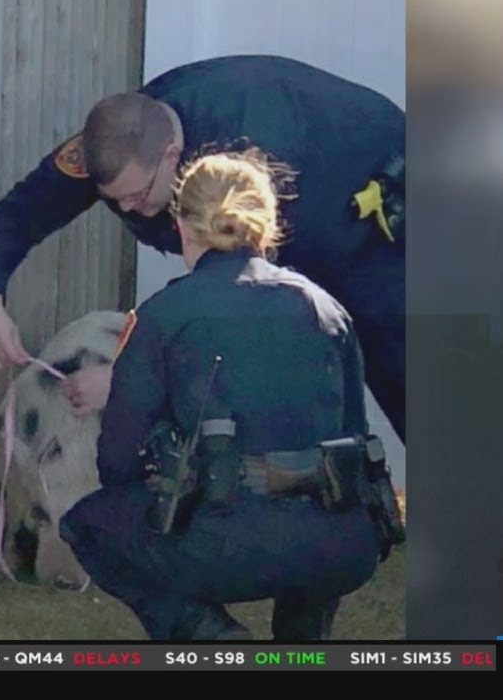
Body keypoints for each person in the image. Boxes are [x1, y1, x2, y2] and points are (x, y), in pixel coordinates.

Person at [0, 55, 406, 442]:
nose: (128, 209)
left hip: (370, 205)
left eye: (138, 197)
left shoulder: (247, 160)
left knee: (401, 371)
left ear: (172, 156)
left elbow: (252, 314)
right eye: (114, 201)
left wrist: (127, 382)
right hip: (320, 203)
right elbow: (19, 213)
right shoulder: (119, 143)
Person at [57, 150, 383, 641]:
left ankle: (207, 631)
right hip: (341, 548)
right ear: (265, 226)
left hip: (222, 545)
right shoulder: (326, 308)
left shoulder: (163, 315)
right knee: (317, 504)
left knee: (87, 524)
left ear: (183, 226)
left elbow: (117, 462)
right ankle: (302, 640)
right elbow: (355, 443)